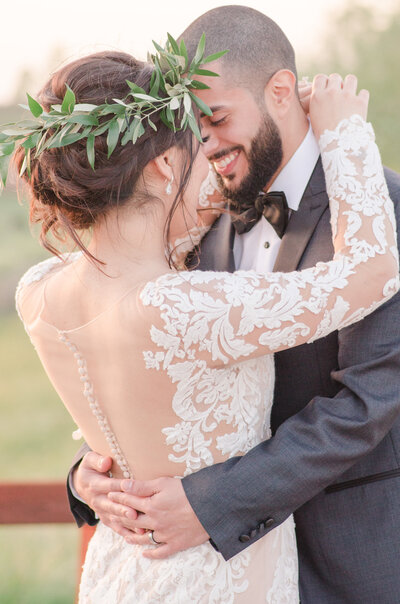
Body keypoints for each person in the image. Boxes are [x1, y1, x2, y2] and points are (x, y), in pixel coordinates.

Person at [67, 7, 400, 604]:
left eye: (216, 118)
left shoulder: (380, 210)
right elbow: (154, 358)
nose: (205, 145)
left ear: (279, 92)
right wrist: (92, 473)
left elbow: (369, 402)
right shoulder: (191, 222)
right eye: (190, 128)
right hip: (221, 577)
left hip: (350, 563)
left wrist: (211, 503)